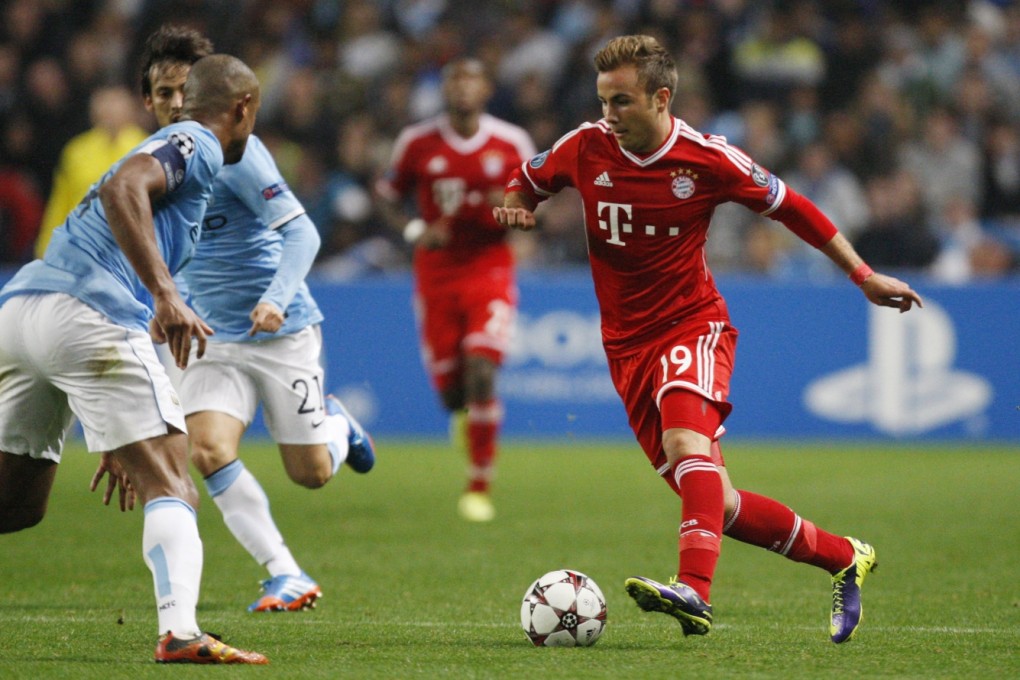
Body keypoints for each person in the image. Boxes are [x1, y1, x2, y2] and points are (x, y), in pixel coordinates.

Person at [494, 35, 924, 644]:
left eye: (621, 102)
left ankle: (694, 590)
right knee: (715, 502)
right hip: (624, 348)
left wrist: (862, 275)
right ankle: (844, 556)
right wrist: (515, 206)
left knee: (684, 435)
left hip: (692, 325)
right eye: (603, 101)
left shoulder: (708, 158)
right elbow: (527, 180)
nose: (608, 116)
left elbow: (794, 207)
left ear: (661, 98)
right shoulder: (583, 147)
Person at [0, 54, 269, 664]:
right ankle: (179, 632)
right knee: (172, 481)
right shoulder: (195, 140)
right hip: (86, 313)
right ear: (243, 109)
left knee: (15, 507)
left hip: (22, 311)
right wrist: (166, 295)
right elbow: (125, 185)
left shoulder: (168, 144)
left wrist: (119, 436)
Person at [137, 24, 375, 613]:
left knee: (312, 473)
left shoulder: (235, 155)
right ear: (148, 101)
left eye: (181, 92)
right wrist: (161, 304)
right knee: (208, 450)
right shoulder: (149, 163)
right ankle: (285, 573)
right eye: (161, 94)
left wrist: (273, 297)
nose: (173, 105)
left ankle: (338, 429)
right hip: (212, 335)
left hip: (280, 330)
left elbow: (301, 232)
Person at [376, 58, 536, 522]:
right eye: (454, 81)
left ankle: (479, 484)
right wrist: (413, 230)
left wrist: (514, 209)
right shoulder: (417, 142)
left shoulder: (511, 141)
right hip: (436, 274)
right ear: (444, 91)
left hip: (490, 268)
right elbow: (386, 196)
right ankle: (465, 415)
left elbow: (537, 204)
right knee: (452, 394)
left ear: (486, 89)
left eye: (472, 79)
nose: (463, 89)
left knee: (482, 370)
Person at [35, 84, 148, 258]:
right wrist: (46, 249)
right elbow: (60, 202)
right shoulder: (76, 151)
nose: (109, 109)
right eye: (103, 102)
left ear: (131, 108)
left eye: (116, 102)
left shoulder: (148, 148)